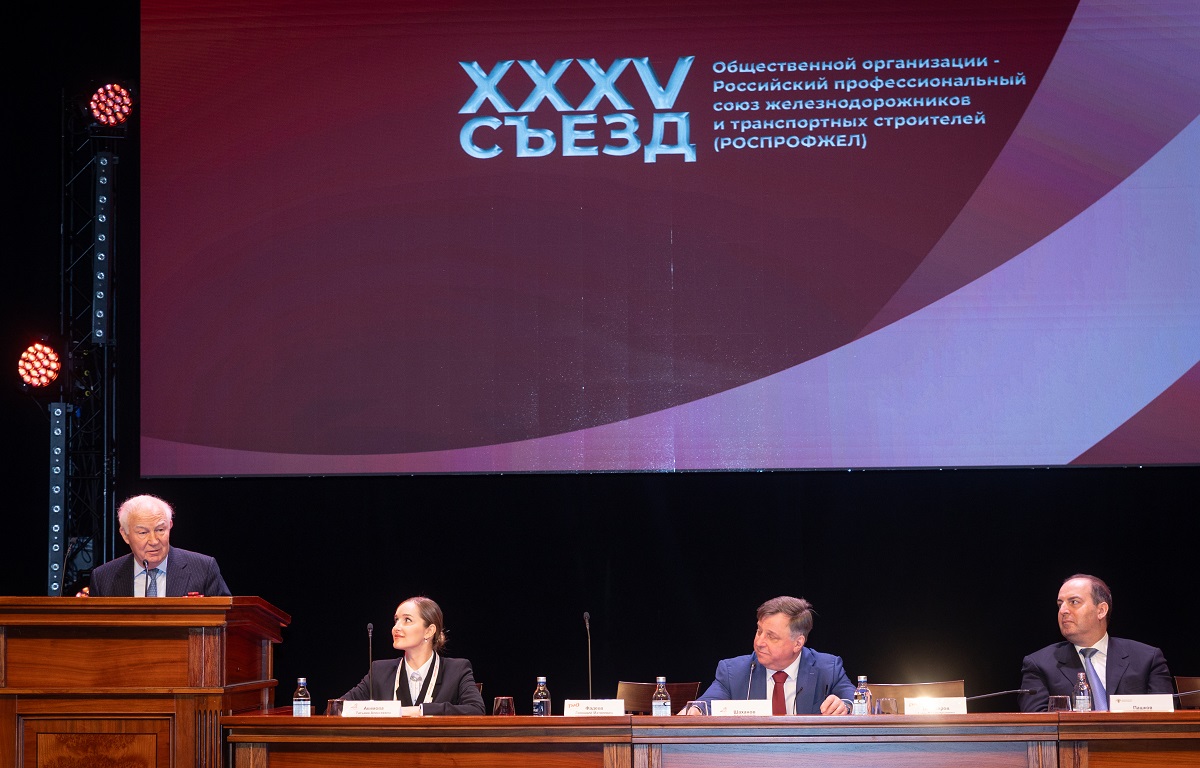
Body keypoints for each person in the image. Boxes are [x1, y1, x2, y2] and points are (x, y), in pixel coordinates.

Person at [1019, 574, 1173, 712]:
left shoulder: (1147, 658)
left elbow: (1166, 718)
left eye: (1074, 602)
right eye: (1060, 604)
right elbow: (1037, 724)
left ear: (1101, 610)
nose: (1063, 610)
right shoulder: (1039, 664)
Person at [692, 595, 854, 715]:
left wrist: (845, 706)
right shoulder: (733, 672)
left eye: (771, 636)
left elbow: (854, 699)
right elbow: (705, 705)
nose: (759, 642)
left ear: (798, 643)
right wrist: (695, 711)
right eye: (759, 631)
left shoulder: (828, 668)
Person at [340, 596, 486, 715]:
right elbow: (338, 708)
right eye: (396, 620)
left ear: (429, 631)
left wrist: (420, 710)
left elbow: (476, 709)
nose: (396, 628)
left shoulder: (457, 670)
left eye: (407, 620)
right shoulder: (380, 671)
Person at [88, 494, 231, 597]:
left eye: (160, 530)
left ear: (170, 526)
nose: (154, 541)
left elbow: (227, 619)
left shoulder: (203, 569)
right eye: (143, 532)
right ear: (125, 534)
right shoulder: (103, 578)